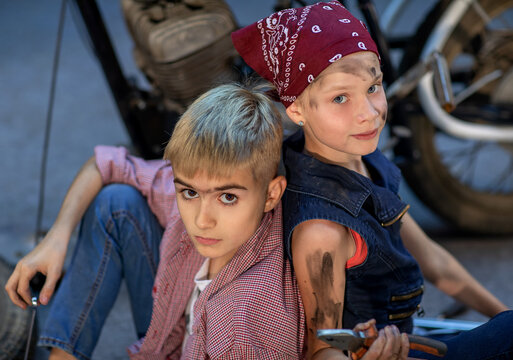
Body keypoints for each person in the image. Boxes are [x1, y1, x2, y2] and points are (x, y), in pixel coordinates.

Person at [231, 2, 513, 360]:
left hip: (406, 338)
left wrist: (501, 314)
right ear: (297, 110)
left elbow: (436, 263)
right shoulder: (322, 230)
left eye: (373, 87)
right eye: (340, 98)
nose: (368, 114)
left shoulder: (359, 158)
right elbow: (323, 350)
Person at [5, 83, 312, 359]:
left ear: (272, 195)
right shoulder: (201, 189)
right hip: (171, 332)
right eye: (189, 192)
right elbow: (105, 164)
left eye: (227, 198)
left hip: (215, 337)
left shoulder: (247, 326)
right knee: (116, 203)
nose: (202, 220)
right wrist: (56, 240)